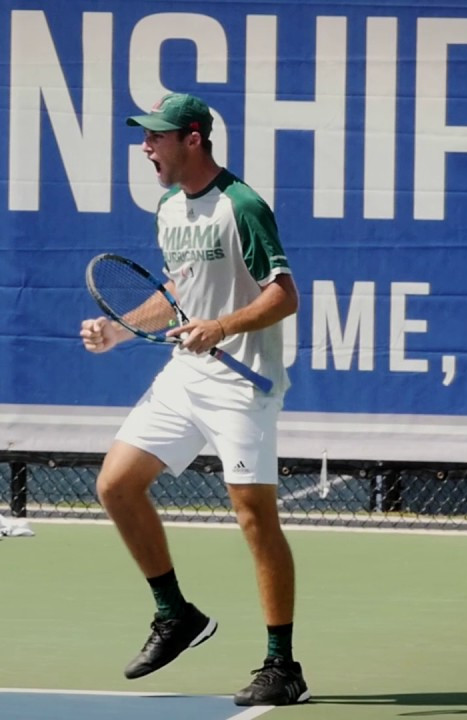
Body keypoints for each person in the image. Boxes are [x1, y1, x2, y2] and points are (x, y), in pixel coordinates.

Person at [79, 93, 308, 707]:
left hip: (242, 381)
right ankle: (175, 613)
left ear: (194, 139)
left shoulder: (243, 206)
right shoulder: (168, 208)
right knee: (116, 485)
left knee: (255, 519)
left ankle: (282, 665)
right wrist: (121, 328)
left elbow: (284, 295)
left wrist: (222, 327)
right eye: (144, 137)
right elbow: (179, 287)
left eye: (156, 137)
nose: (145, 147)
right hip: (186, 374)